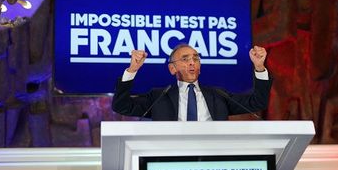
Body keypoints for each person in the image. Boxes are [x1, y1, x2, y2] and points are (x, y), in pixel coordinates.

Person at [112, 44, 272, 121]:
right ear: (172, 69)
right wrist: (132, 70)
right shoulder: (159, 97)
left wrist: (259, 67)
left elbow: (258, 102)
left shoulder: (218, 95)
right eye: (185, 59)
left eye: (196, 59)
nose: (192, 63)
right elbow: (121, 106)